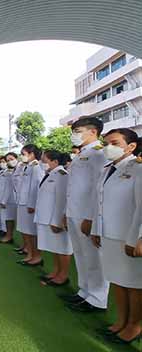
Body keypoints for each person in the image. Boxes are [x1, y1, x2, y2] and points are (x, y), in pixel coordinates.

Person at [90, 129, 142, 344]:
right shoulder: (107, 169)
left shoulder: (138, 168)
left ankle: (134, 326)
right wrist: (96, 228)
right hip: (109, 234)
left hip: (128, 235)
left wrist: (140, 237)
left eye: (115, 142)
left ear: (131, 146)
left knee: (135, 284)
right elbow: (99, 201)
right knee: (117, 281)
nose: (108, 147)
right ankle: (121, 321)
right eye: (106, 143)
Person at [62, 117, 109, 313]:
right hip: (75, 212)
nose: (75, 135)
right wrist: (67, 212)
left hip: (87, 215)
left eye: (78, 130)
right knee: (81, 254)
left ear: (93, 131)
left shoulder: (99, 154)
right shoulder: (83, 154)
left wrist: (91, 218)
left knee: (94, 257)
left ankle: (98, 299)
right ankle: (84, 291)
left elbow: (99, 189)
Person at [34, 150, 72, 286]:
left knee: (62, 248)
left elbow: (62, 200)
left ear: (55, 162)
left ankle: (63, 275)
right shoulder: (51, 174)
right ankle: (56, 271)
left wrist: (57, 221)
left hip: (55, 219)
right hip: (47, 218)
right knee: (54, 248)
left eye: (44, 161)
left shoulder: (62, 175)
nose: (42, 163)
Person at [16, 144, 44, 266]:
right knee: (25, 230)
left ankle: (36, 256)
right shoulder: (27, 167)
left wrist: (32, 204)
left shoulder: (36, 167)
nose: (22, 156)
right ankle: (30, 254)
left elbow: (36, 187)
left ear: (32, 154)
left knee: (31, 232)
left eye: (24, 154)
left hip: (29, 205)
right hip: (22, 202)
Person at [0, 152, 19, 244]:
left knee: (20, 223)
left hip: (17, 199)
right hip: (10, 199)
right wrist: (4, 200)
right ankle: (9, 236)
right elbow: (8, 187)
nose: (10, 161)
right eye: (8, 160)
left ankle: (27, 247)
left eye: (11, 159)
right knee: (8, 218)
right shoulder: (11, 171)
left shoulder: (21, 169)